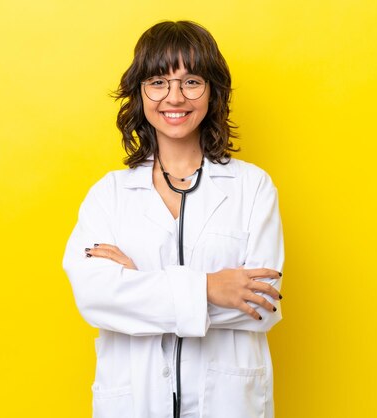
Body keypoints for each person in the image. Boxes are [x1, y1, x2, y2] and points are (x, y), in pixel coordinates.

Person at [63, 20, 285, 418]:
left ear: (212, 91)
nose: (174, 97)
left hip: (228, 403)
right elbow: (94, 297)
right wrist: (211, 287)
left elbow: (261, 303)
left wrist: (134, 288)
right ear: (140, 93)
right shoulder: (109, 195)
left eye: (191, 81)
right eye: (158, 82)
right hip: (134, 403)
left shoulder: (252, 187)